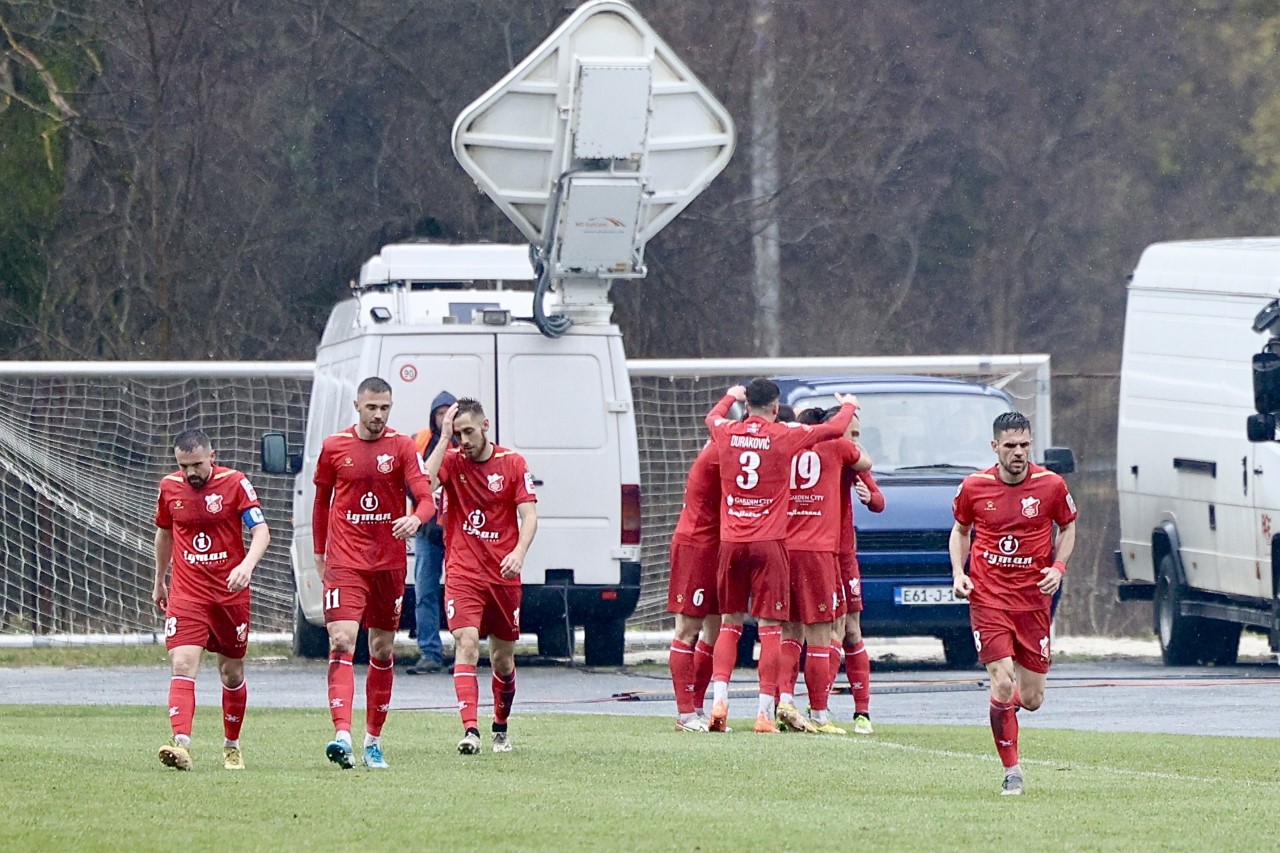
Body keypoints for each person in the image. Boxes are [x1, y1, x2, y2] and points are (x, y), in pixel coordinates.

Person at [704, 379, 866, 734]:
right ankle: (766, 712)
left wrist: (730, 396)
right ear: (776, 409)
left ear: (747, 406)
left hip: (731, 542)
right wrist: (850, 404)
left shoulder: (726, 431)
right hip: (769, 543)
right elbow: (835, 429)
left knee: (730, 624)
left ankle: (720, 700)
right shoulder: (783, 435)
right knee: (771, 628)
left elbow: (711, 417)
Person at [949, 411, 1077, 796]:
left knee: (1032, 698)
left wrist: (1058, 566)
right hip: (988, 599)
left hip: (1033, 602)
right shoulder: (974, 487)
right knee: (1003, 681)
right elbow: (960, 530)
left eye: (1024, 445)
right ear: (995, 447)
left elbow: (1068, 526)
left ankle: (1003, 709)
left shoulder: (1051, 485)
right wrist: (958, 573)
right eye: (1010, 446)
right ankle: (1012, 771)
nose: (1018, 452)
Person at [313, 376, 436, 770]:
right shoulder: (334, 447)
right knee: (342, 640)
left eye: (384, 407)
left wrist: (415, 519)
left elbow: (426, 499)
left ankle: (373, 742)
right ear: (357, 406)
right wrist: (319, 552)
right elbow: (321, 503)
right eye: (372, 407)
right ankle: (342, 736)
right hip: (346, 561)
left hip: (388, 563)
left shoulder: (402, 447)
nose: (378, 414)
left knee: (382, 648)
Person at [424, 398, 538, 755]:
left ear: (485, 426)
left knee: (503, 658)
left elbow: (530, 516)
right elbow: (424, 485)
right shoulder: (452, 460)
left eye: (469, 432)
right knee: (467, 643)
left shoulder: (513, 463)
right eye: (458, 434)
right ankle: (470, 730)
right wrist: (444, 438)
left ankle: (500, 727)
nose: (464, 441)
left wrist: (518, 553)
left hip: (502, 574)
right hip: (464, 572)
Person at [153, 428, 271, 771]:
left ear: (212, 457)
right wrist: (159, 580)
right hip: (187, 593)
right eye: (184, 466)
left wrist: (246, 566)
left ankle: (231, 745)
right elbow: (164, 533)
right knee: (182, 663)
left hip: (229, 594)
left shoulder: (235, 483)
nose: (190, 472)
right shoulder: (169, 487)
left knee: (231, 672)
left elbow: (261, 531)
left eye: (197, 465)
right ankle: (181, 744)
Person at [774, 406, 866, 735]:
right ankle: (819, 714)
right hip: (819, 551)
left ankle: (785, 702)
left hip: (784, 548)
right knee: (820, 635)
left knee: (789, 631)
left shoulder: (782, 447)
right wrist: (849, 411)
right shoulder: (837, 447)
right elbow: (866, 463)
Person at [666, 440, 724, 732]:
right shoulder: (718, 452)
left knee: (715, 630)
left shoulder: (727, 447)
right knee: (688, 630)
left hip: (719, 547)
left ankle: (697, 708)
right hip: (696, 547)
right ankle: (685, 714)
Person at [838, 411, 885, 735]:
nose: (855, 440)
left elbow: (879, 501)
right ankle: (813, 708)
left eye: (858, 434)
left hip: (844, 556)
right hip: (812, 554)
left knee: (851, 630)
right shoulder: (816, 456)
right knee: (811, 633)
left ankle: (862, 712)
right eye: (851, 433)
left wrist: (871, 498)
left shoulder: (855, 463)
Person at [408, 390, 457, 675]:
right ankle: (430, 652)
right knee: (425, 591)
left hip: (459, 532)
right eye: (440, 413)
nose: (445, 418)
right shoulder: (420, 441)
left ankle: (465, 651)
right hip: (428, 531)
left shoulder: (469, 441)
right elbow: (412, 481)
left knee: (461, 593)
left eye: (450, 413)